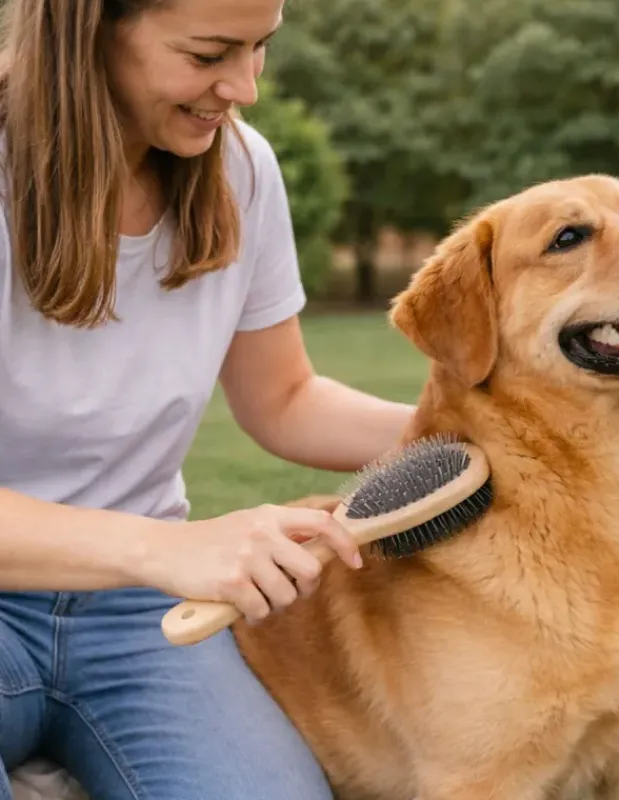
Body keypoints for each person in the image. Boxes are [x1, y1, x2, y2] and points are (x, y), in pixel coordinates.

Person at [0, 0, 415, 797]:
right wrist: (167, 549)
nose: (245, 87)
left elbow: (285, 398)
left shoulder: (242, 170)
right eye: (208, 54)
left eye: (261, 47)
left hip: (141, 618)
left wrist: (482, 430)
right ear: (91, 27)